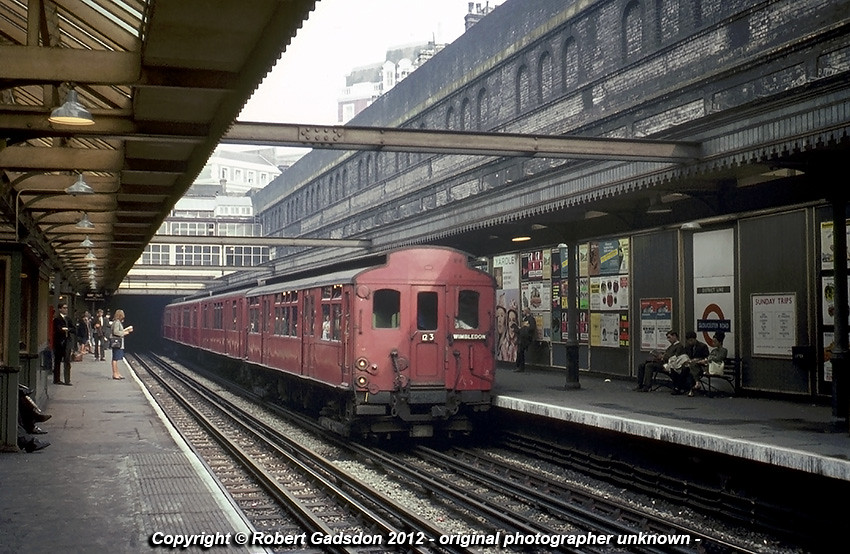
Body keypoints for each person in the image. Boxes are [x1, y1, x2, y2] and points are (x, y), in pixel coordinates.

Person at [689, 331, 728, 396]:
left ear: (720, 342)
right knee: (693, 364)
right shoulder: (714, 350)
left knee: (693, 370)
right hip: (708, 365)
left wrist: (707, 360)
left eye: (715, 342)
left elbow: (718, 358)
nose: (713, 343)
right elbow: (709, 357)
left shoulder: (724, 350)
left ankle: (696, 383)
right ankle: (697, 382)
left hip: (715, 367)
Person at [52, 303, 75, 385]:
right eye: (64, 308)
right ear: (60, 309)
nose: (66, 309)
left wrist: (68, 329)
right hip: (59, 342)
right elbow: (57, 329)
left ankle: (67, 380)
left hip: (67, 341)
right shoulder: (57, 319)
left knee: (67, 361)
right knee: (57, 360)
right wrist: (62, 329)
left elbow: (74, 329)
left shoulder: (68, 319)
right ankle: (56, 379)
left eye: (66, 308)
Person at [110, 309, 133, 380]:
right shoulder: (117, 322)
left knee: (116, 358)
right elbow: (116, 332)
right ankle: (115, 374)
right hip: (117, 342)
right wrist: (125, 333)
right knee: (115, 358)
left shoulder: (117, 322)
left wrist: (126, 329)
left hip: (117, 342)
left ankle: (117, 373)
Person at [515, 307, 537, 372]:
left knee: (520, 351)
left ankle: (520, 367)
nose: (522, 312)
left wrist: (525, 328)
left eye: (523, 311)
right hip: (522, 338)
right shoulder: (524, 319)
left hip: (527, 339)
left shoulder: (531, 319)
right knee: (520, 352)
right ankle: (519, 366)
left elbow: (532, 328)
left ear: (526, 312)